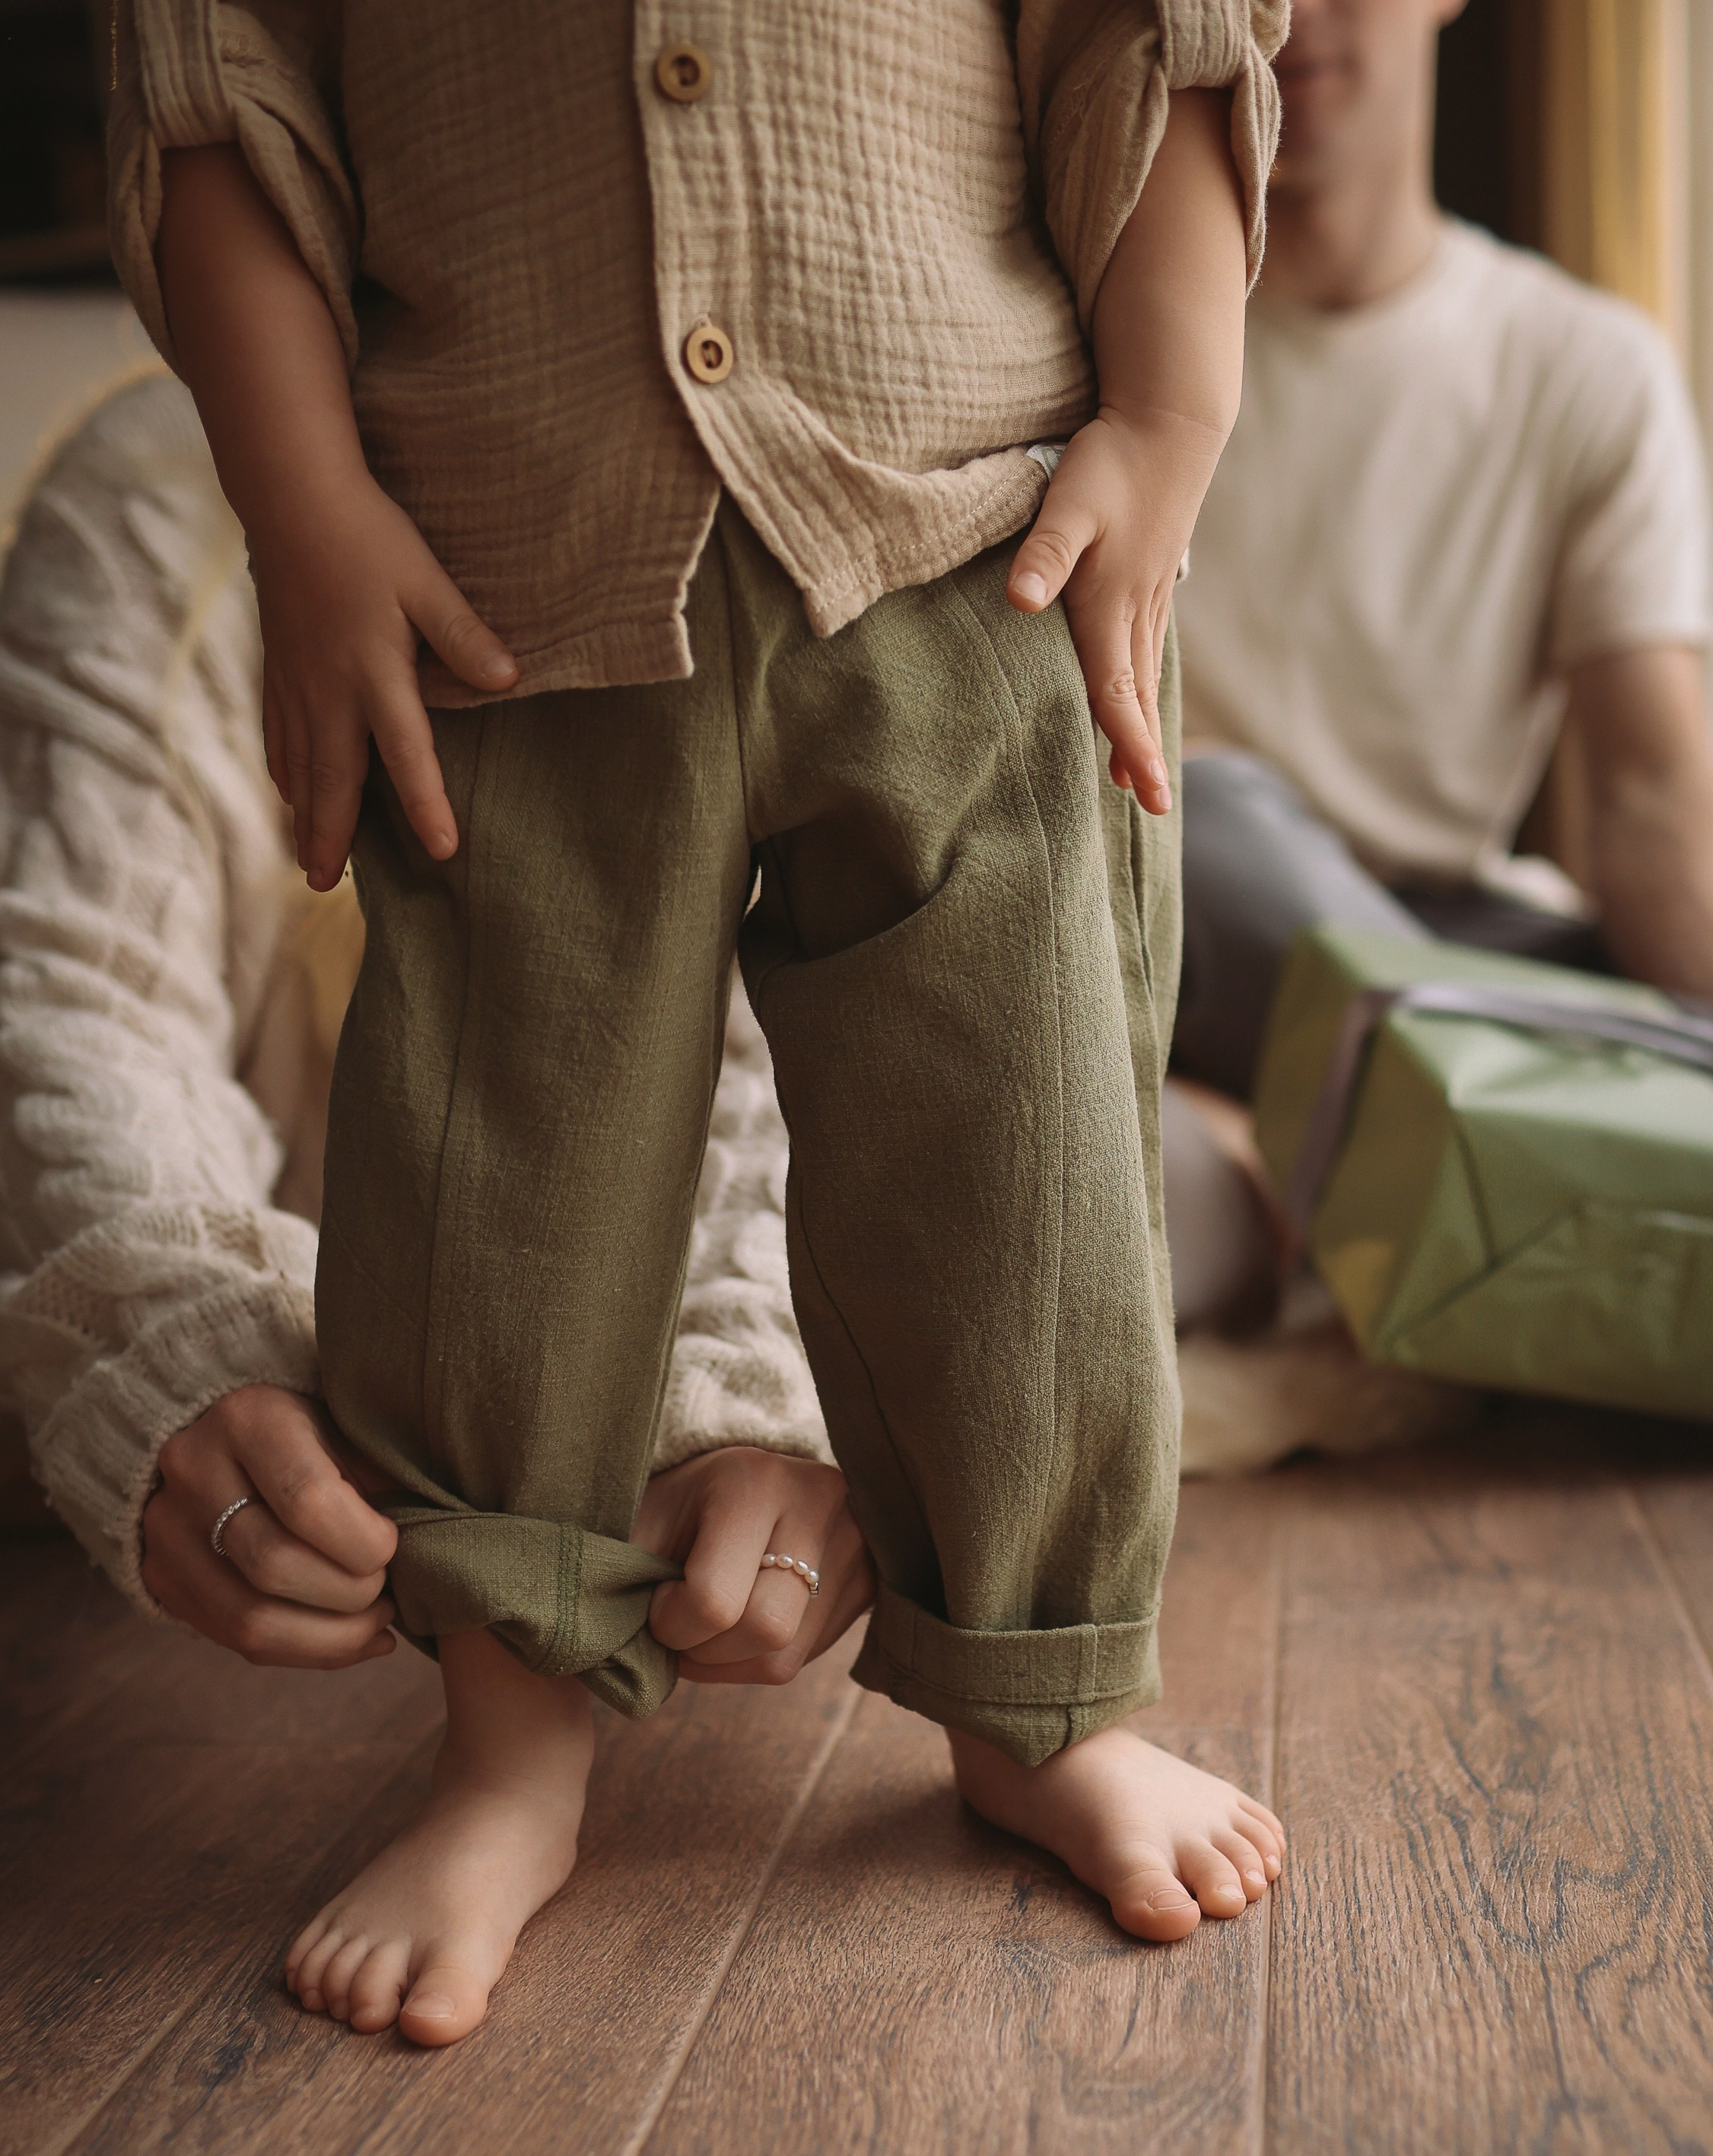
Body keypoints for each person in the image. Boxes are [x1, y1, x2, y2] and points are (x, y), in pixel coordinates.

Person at [109, 1, 1291, 2046]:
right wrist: (301, 502)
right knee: (494, 1169)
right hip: (502, 572)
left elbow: (1159, 28)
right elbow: (215, 87)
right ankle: (503, 1743)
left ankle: (1040, 1691)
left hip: (975, 545)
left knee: (1015, 1150)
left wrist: (1168, 415)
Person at [0, 368, 868, 1688]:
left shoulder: (765, 477)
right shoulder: (157, 491)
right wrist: (174, 1344)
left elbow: (795, 1000)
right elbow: (72, 987)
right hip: (323, 1317)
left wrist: (765, 1363)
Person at [1170, 0, 1713, 1100]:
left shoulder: (1584, 367)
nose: (1288, 16)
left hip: (1426, 940)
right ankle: (1443, 1123)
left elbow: (1650, 794)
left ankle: (1427, 1122)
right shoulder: (1125, 349)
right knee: (1203, 823)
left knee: (1625, 1012)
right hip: (1178, 923)